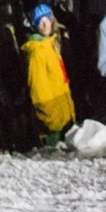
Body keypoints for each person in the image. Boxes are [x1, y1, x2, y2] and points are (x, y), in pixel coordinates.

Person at [22, 8, 77, 139]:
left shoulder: (49, 44)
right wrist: (51, 119)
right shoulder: (37, 51)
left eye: (47, 20)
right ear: (35, 26)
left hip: (64, 115)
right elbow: (38, 91)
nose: (46, 25)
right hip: (54, 124)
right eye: (41, 22)